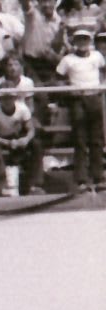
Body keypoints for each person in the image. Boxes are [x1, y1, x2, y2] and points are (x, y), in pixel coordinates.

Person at [56, 28, 103, 193]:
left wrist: (101, 87)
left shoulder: (97, 56)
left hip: (95, 97)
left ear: (89, 41)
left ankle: (99, 177)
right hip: (77, 100)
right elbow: (59, 79)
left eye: (85, 39)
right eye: (79, 39)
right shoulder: (68, 59)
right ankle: (81, 179)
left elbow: (103, 71)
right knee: (80, 140)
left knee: (97, 140)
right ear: (74, 41)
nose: (82, 42)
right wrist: (70, 89)